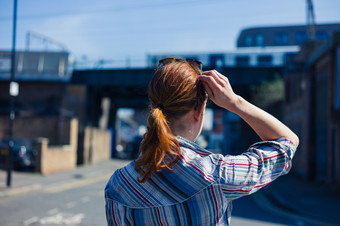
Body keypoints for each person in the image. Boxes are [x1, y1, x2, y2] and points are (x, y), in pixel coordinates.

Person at [105, 58, 299, 225]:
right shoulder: (217, 174)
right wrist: (235, 103)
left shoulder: (117, 185)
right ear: (199, 112)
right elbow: (288, 142)